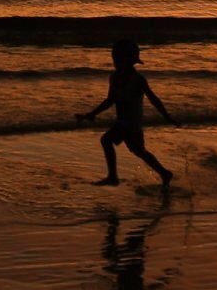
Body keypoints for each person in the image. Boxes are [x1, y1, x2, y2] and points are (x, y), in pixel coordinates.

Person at [75, 39, 175, 187]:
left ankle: (113, 177)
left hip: (131, 123)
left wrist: (167, 117)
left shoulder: (138, 80)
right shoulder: (114, 78)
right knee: (139, 151)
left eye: (118, 58)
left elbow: (154, 99)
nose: (115, 62)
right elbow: (110, 100)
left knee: (106, 140)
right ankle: (164, 173)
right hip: (124, 122)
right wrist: (92, 114)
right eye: (114, 58)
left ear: (129, 61)